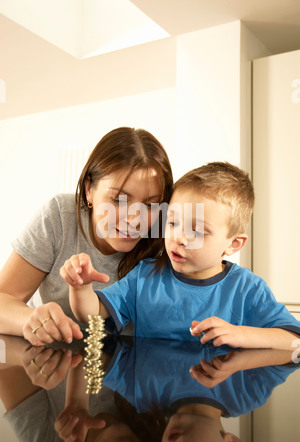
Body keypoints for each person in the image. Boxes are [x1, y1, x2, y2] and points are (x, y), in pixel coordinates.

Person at [61, 162, 300, 349]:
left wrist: (243, 334)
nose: (180, 238)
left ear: (234, 244)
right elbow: (92, 314)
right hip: (152, 405)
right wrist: (81, 287)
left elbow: (293, 339)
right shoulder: (146, 275)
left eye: (197, 230)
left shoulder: (247, 289)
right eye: (173, 222)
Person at [0, 127, 173, 346]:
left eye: (150, 204)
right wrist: (31, 319)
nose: (135, 219)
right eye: (119, 200)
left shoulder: (169, 239)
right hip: (50, 368)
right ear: (89, 188)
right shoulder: (59, 217)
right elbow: (3, 300)